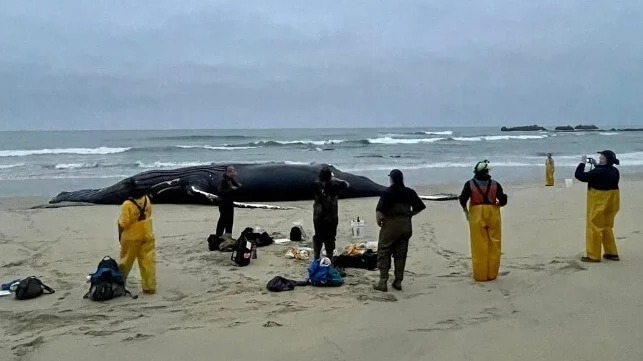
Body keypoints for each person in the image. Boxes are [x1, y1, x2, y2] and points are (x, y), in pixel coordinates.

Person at [373, 169, 426, 292]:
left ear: (391, 179)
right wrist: (410, 214)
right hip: (405, 227)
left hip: (390, 227)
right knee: (401, 254)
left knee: (384, 251)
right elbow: (420, 207)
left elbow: (380, 213)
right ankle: (398, 281)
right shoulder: (409, 192)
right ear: (402, 179)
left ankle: (382, 281)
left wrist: (379, 222)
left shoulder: (387, 192)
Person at [459, 160, 508, 282]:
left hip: (476, 213)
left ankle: (480, 275)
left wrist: (466, 211)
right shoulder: (495, 184)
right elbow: (503, 200)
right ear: (487, 172)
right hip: (493, 212)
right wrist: (497, 204)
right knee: (494, 243)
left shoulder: (469, 184)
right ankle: (492, 274)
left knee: (479, 244)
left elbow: (462, 199)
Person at [574, 150, 620, 262]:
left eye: (602, 156)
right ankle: (611, 252)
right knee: (606, 226)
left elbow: (580, 176)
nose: (600, 157)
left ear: (605, 159)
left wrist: (582, 163)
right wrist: (596, 165)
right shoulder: (614, 170)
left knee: (594, 226)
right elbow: (603, 171)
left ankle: (593, 255)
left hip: (599, 199)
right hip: (613, 199)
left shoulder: (599, 171)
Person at [118, 179, 156, 294]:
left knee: (125, 261)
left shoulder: (127, 204)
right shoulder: (146, 199)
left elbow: (124, 223)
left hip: (131, 235)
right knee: (148, 261)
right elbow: (149, 214)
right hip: (147, 232)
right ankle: (149, 287)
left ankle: (120, 284)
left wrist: (119, 229)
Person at [313, 167, 350, 261]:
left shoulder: (316, 184)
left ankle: (316, 257)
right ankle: (330, 258)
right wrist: (334, 178)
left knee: (318, 236)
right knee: (330, 238)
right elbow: (347, 184)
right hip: (331, 216)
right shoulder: (335, 184)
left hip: (318, 215)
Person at [216, 166, 242, 237]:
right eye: (234, 170)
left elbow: (237, 187)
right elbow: (220, 191)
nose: (235, 172)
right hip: (223, 203)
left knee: (230, 220)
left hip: (229, 202)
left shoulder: (231, 180)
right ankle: (218, 236)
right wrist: (232, 189)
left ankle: (228, 235)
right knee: (223, 219)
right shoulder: (223, 180)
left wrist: (237, 187)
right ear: (229, 172)